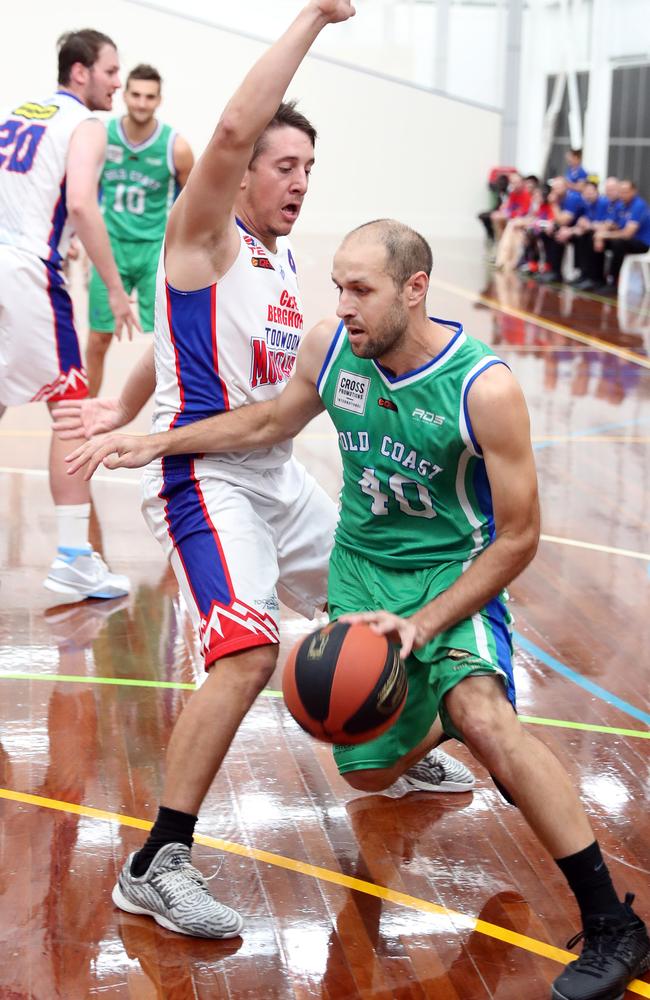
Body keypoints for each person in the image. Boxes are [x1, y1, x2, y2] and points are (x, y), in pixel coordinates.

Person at [69, 218, 650, 1000]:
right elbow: (273, 421)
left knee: (487, 716)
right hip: (363, 571)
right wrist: (162, 442)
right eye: (337, 285)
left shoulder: (484, 387)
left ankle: (614, 923)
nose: (340, 304)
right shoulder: (332, 347)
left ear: (415, 290)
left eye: (360, 289)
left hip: (451, 570)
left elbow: (517, 539)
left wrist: (428, 624)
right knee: (368, 772)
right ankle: (436, 715)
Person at [56, 0, 473, 941]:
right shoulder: (198, 233)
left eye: (309, 168)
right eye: (284, 166)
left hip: (275, 474)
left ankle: (398, 751)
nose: (298, 181)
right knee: (244, 651)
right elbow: (238, 125)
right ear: (236, 174)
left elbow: (171, 341)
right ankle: (156, 862)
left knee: (379, 603)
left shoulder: (279, 266)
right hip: (207, 480)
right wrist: (316, 19)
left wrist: (121, 403)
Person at [0, 29, 137, 598]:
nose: (117, 82)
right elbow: (80, 202)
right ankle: (74, 556)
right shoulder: (86, 125)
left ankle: (76, 555)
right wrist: (115, 288)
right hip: (28, 276)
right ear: (80, 72)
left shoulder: (18, 112)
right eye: (110, 70)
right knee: (70, 410)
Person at [86, 63, 194, 396]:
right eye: (135, 94)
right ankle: (86, 410)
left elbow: (192, 204)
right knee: (98, 337)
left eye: (149, 96)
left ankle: (174, 410)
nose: (141, 103)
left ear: (159, 100)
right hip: (111, 247)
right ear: (125, 95)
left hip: (153, 251)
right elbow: (83, 190)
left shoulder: (175, 146)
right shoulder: (103, 136)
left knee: (168, 339)